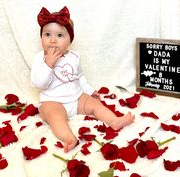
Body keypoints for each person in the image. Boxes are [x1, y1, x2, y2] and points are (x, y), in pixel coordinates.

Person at [31, 6, 135, 153]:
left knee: (95, 104)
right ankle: (69, 138)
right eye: (47, 34)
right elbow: (38, 83)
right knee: (55, 117)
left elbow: (79, 77)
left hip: (76, 98)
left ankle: (114, 121)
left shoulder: (74, 57)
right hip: (52, 101)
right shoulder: (40, 58)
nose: (53, 40)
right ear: (41, 37)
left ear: (69, 40)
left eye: (60, 36)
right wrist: (49, 64)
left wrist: (89, 91)